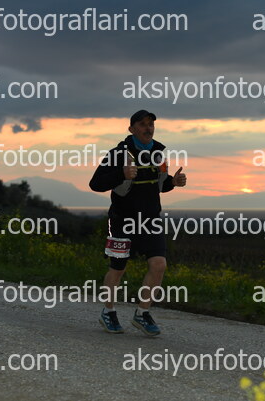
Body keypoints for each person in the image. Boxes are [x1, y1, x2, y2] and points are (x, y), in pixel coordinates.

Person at [89, 110, 186, 336]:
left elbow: (160, 184)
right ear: (131, 129)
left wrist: (173, 182)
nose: (148, 128)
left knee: (159, 264)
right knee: (118, 268)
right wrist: (121, 174)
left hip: (150, 220)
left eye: (151, 124)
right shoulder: (118, 154)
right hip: (122, 220)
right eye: (142, 124)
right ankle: (108, 311)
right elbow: (95, 184)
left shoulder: (158, 153)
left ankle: (142, 313)